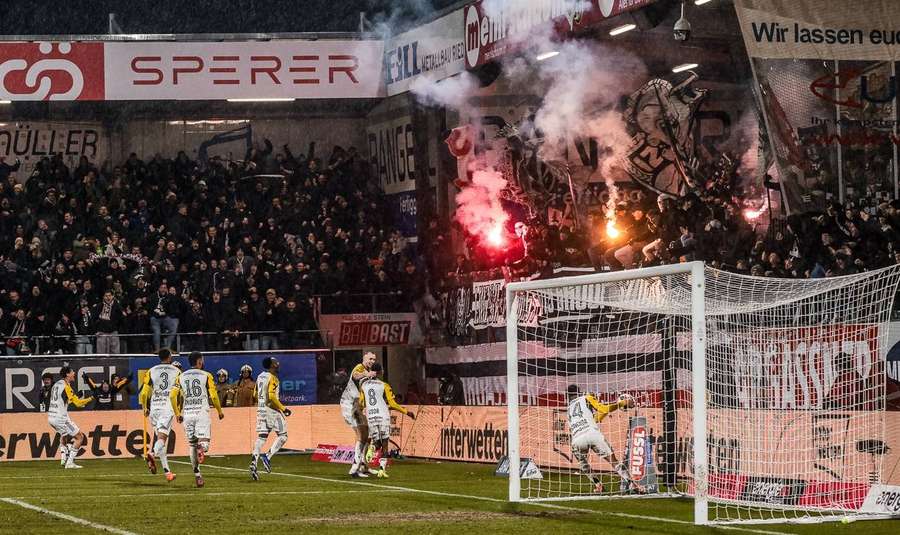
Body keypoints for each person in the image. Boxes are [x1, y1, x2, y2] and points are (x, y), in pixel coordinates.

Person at [566, 385, 641, 493]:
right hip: (592, 434)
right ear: (579, 392)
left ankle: (598, 485)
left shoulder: (568, 409)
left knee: (584, 465)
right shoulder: (586, 397)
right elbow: (603, 409)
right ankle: (633, 484)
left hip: (577, 439)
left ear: (568, 396)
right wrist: (622, 403)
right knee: (613, 461)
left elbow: (593, 419)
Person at [170, 351, 224, 488]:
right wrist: (219, 410)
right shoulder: (206, 375)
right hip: (201, 413)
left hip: (187, 414)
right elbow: (213, 395)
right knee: (204, 445)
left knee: (192, 445)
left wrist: (177, 413)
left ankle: (198, 476)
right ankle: (201, 448)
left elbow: (172, 396)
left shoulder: (180, 376)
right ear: (199, 361)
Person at [358, 363, 414, 478]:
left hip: (371, 416)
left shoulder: (363, 385)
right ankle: (382, 469)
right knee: (385, 443)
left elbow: (361, 402)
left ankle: (373, 447)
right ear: (380, 372)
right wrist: (406, 412)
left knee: (376, 441)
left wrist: (365, 408)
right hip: (383, 415)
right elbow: (392, 403)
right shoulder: (384, 385)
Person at [139, 348, 180, 482]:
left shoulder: (151, 370)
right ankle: (151, 453)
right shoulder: (177, 371)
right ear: (169, 357)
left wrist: (145, 407)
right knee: (162, 439)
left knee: (160, 440)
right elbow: (179, 393)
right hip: (167, 408)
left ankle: (167, 472)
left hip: (154, 407)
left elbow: (144, 393)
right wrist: (178, 411)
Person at [249, 357, 292, 481]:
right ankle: (267, 456)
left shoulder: (260, 376)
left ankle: (254, 461)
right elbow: (272, 396)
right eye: (276, 363)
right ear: (272, 366)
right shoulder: (273, 378)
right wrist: (283, 409)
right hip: (272, 410)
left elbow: (255, 395)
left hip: (261, 410)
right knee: (283, 435)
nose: (278, 364)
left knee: (262, 437)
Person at [340, 351, 377, 477]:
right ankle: (355, 468)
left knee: (367, 435)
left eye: (374, 359)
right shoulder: (360, 368)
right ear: (364, 358)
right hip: (349, 406)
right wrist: (366, 374)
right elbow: (356, 375)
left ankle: (363, 466)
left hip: (357, 407)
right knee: (362, 435)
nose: (372, 361)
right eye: (370, 358)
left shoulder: (370, 375)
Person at [48, 366, 93, 469]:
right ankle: (70, 462)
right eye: (73, 371)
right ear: (67, 374)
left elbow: (62, 399)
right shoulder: (66, 386)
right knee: (79, 437)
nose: (74, 373)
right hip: (60, 418)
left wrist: (74, 396)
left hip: (51, 416)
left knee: (64, 435)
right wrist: (91, 398)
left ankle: (64, 458)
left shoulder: (56, 384)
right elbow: (77, 403)